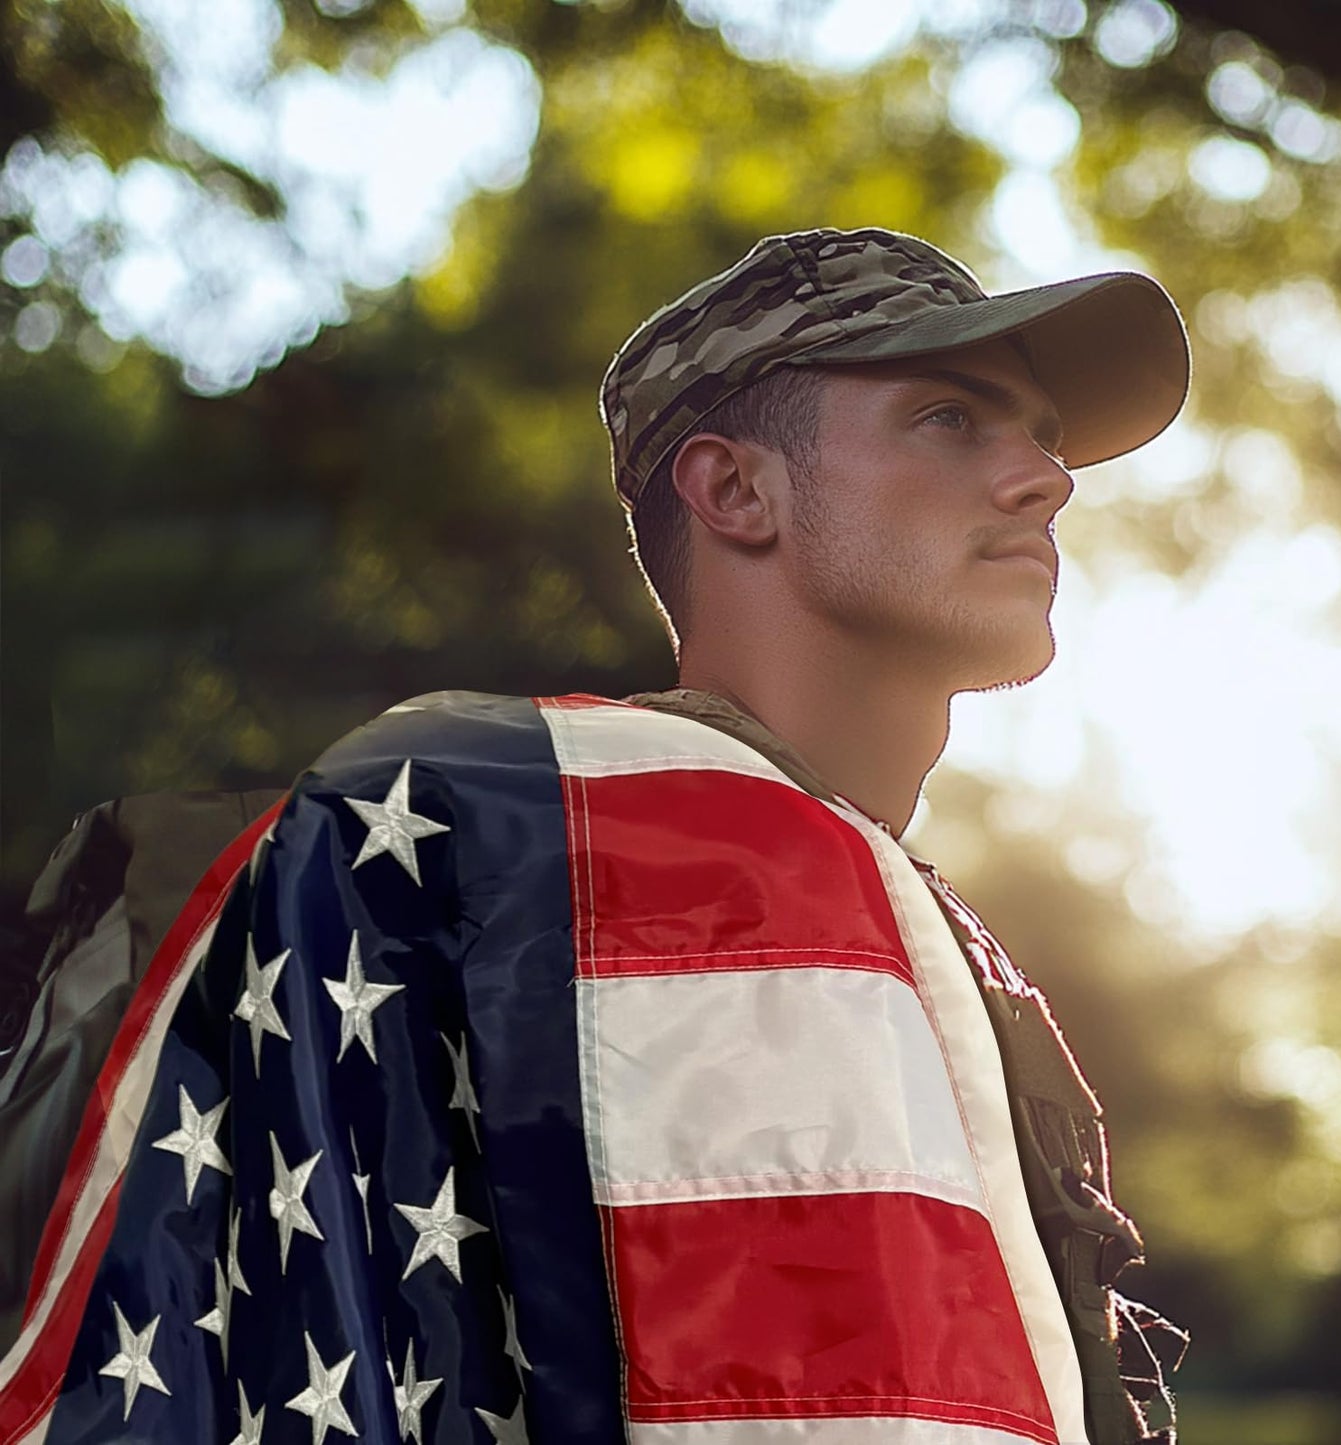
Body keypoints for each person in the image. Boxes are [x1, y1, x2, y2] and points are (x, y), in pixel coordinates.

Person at [0, 227, 1191, 1445]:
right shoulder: (510, 836)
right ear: (733, 490)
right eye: (950, 417)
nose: (1047, 477)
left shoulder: (908, 922)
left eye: (1042, 433)